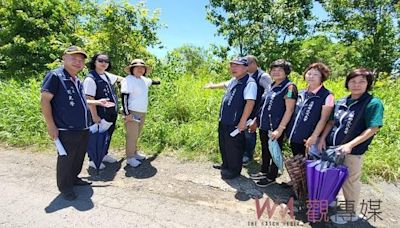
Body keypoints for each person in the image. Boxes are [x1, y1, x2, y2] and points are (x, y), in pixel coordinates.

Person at [41, 46, 110, 201]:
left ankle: (74, 178)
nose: (78, 63)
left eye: (81, 60)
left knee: (78, 157)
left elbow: (82, 101)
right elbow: (45, 100)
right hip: (66, 128)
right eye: (74, 58)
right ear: (64, 58)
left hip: (83, 127)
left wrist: (98, 101)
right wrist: (50, 125)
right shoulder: (55, 76)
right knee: (66, 159)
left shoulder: (77, 79)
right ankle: (65, 187)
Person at [317, 68, 384, 224]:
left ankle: (350, 213)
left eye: (362, 81)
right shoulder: (342, 101)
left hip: (352, 151)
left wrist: (350, 145)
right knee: (332, 174)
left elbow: (373, 128)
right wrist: (322, 139)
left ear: (368, 84)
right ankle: (332, 199)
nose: (356, 85)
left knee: (350, 180)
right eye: (353, 81)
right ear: (347, 83)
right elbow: (332, 122)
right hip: (333, 148)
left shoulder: (372, 103)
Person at [205, 55, 271, 167]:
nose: (234, 67)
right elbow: (226, 84)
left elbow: (269, 94)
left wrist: (257, 117)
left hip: (254, 112)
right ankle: (231, 161)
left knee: (248, 135)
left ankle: (247, 156)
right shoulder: (238, 78)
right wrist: (212, 86)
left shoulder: (262, 77)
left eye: (246, 63)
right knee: (233, 139)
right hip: (238, 114)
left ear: (253, 64)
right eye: (233, 65)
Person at [249, 59, 297, 187]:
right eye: (273, 70)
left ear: (286, 72)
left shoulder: (289, 87)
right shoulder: (271, 85)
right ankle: (264, 171)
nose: (276, 72)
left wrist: (280, 129)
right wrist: (256, 120)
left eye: (279, 70)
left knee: (274, 150)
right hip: (264, 124)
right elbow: (263, 105)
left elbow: (289, 109)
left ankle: (271, 176)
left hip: (276, 127)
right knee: (265, 149)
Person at [215, 57, 257, 179]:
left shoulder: (249, 83)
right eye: (232, 65)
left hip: (236, 122)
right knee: (224, 144)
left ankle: (234, 170)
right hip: (224, 120)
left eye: (237, 66)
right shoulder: (234, 80)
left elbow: (250, 103)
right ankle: (226, 164)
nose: (233, 68)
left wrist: (243, 121)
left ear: (246, 68)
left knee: (234, 147)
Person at [83, 53, 124, 170]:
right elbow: (89, 99)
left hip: (110, 113)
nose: (104, 63)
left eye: (106, 61)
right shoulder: (90, 79)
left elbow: (120, 79)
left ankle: (103, 155)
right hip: (99, 113)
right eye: (100, 60)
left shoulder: (106, 75)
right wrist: (94, 116)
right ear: (94, 62)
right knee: (96, 136)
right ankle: (93, 159)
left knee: (107, 135)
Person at [286, 62, 334, 156]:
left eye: (316, 74)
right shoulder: (301, 93)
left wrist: (314, 136)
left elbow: (324, 119)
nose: (311, 76)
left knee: (308, 166)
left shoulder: (328, 96)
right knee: (297, 165)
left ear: (322, 77)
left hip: (310, 139)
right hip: (294, 136)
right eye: (309, 73)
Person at [121, 59, 160, 167]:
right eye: (137, 67)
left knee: (137, 134)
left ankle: (135, 153)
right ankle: (130, 157)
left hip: (142, 112)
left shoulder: (144, 80)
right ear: (132, 69)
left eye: (142, 67)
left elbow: (153, 81)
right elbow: (124, 97)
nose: (140, 69)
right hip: (132, 112)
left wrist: (159, 81)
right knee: (131, 136)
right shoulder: (128, 80)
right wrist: (127, 113)